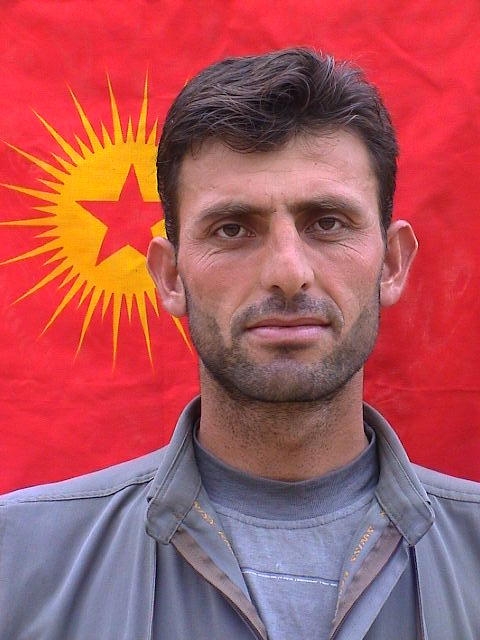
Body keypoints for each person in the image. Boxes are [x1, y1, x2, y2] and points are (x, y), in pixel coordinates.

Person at [1, 48, 479, 640]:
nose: (288, 272)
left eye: (327, 222)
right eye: (232, 229)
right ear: (170, 277)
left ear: (392, 264)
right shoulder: (17, 564)